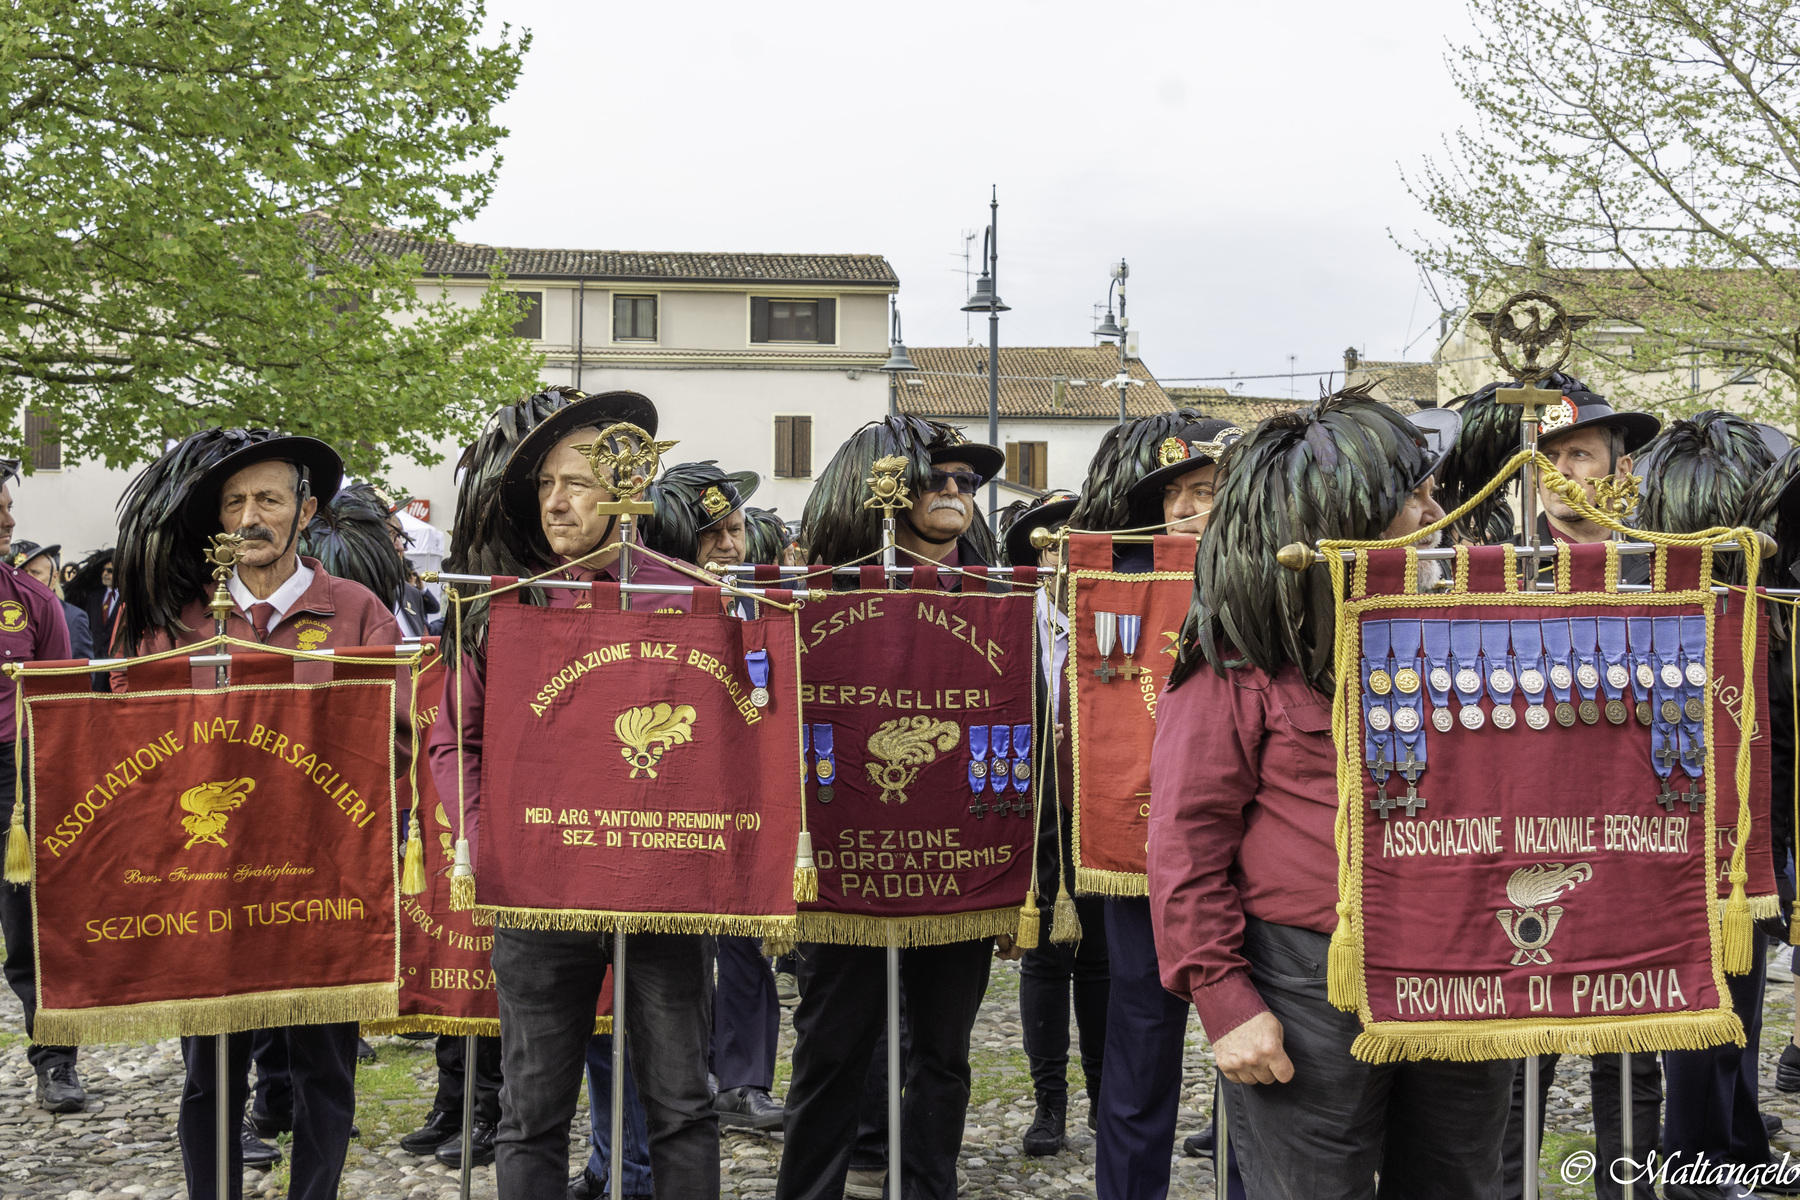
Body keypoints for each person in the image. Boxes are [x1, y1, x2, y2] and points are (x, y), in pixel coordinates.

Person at [1148, 388, 1517, 1198]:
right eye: (1415, 498)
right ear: (1346, 518)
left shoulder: (1466, 632)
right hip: (1307, 979)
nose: (1439, 513)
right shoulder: (1238, 653)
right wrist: (1223, 997)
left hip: (1463, 964)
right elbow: (1185, 839)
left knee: (1461, 1185)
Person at [426, 388, 720, 1200]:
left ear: (627, 485)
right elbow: (455, 739)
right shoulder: (502, 607)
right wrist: (487, 838)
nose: (555, 502)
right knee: (530, 1111)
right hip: (538, 892)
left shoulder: (695, 599)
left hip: (664, 890)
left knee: (682, 1105)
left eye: (578, 482)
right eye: (547, 484)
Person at [110, 427, 401, 1200]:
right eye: (234, 501)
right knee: (209, 1077)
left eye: (268, 499)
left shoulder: (358, 612)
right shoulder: (175, 620)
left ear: (305, 511)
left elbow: (399, 737)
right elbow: (124, 743)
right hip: (207, 888)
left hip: (324, 886)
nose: (250, 517)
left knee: (324, 1074)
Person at [1442, 382, 1669, 1200]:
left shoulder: (1664, 568)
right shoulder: (1489, 573)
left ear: (1620, 470)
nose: (1565, 472)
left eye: (1582, 455)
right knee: (1516, 1059)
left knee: (1631, 1055)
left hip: (1633, 838)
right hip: (1523, 837)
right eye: (1552, 457)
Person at [776, 416, 1006, 1200]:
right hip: (846, 858)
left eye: (966, 481)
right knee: (831, 1048)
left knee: (944, 1055)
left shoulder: (1001, 600)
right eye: (936, 477)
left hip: (961, 858)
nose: (954, 491)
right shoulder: (823, 593)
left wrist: (1028, 875)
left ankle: (929, 1187)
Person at [1076, 415, 1240, 1199]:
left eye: (1202, 491)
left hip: (1249, 848)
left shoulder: (1283, 577)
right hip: (1145, 845)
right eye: (1173, 495)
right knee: (1139, 1038)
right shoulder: (1125, 590)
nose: (1182, 509)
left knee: (1256, 1043)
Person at [1630, 412, 1792, 1200]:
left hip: (1757, 826)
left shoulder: (1770, 605)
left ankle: (1741, 1147)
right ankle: (1698, 1170)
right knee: (1709, 1016)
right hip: (1682, 833)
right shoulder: (1669, 603)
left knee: (1741, 1011)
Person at [641, 461, 789, 1133]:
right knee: (678, 956)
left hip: (743, 797)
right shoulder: (646, 605)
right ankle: (683, 1075)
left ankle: (745, 1081)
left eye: (736, 530)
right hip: (668, 798)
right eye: (713, 534)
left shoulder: (760, 598)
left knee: (748, 947)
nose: (731, 546)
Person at [999, 490, 1112, 1158]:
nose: (1061, 563)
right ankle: (1049, 1105)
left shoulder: (1109, 620)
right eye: (1049, 550)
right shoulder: (1012, 624)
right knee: (1043, 959)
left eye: (1073, 548)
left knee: (1099, 961)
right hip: (1034, 807)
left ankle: (1102, 1097)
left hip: (1099, 806)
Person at [0, 463, 81, 1112]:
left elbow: (63, 700)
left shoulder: (33, 598)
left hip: (16, 779)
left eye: (7, 506)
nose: (9, 520)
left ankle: (55, 1061)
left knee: (31, 926)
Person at [10, 541, 91, 659]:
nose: (27, 578)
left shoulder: (73, 618)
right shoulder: (9, 613)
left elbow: (82, 667)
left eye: (35, 572)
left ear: (54, 577)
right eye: (23, 572)